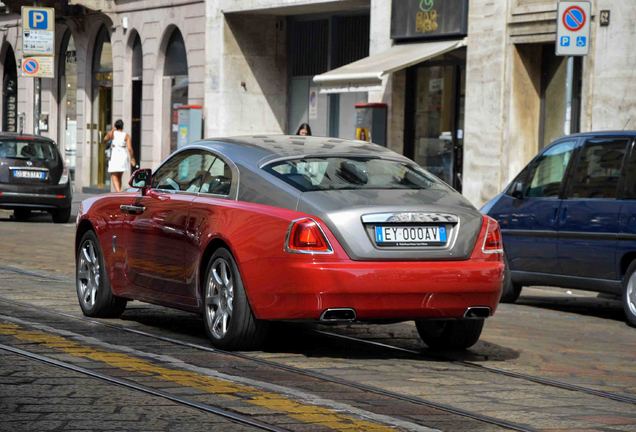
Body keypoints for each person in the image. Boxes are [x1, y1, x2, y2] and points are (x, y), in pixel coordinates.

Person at [103, 119, 136, 192]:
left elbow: (104, 140)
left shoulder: (112, 133)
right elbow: (130, 148)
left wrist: (112, 130)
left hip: (115, 156)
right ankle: (119, 192)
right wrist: (132, 158)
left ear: (115, 126)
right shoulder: (126, 135)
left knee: (114, 175)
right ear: (122, 126)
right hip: (123, 155)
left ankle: (118, 192)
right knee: (119, 176)